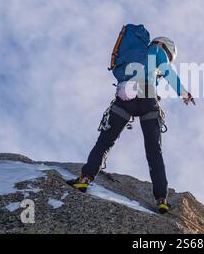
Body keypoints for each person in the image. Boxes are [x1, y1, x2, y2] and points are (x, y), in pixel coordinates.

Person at [68, 36, 195, 213]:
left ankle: (85, 179)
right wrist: (184, 93)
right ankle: (161, 199)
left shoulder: (134, 54)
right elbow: (167, 71)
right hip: (147, 100)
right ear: (163, 45)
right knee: (154, 151)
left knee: (105, 142)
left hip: (124, 97)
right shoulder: (157, 51)